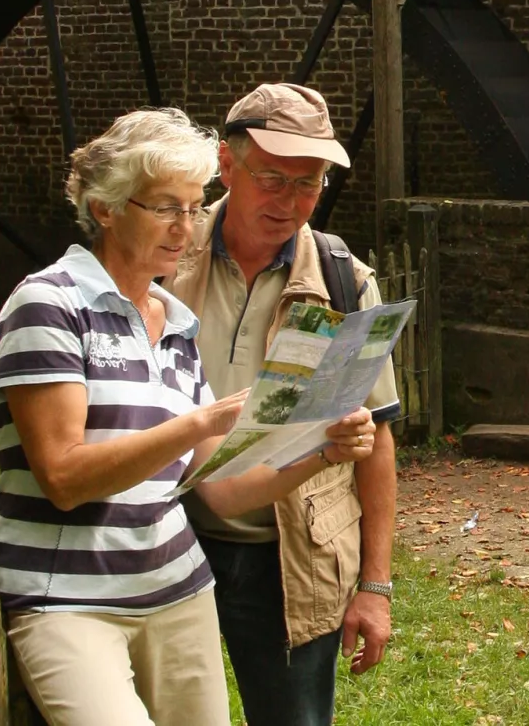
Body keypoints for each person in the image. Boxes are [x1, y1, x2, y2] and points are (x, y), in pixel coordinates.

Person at [0, 108, 378, 726]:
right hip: (67, 598)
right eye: (164, 207)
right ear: (106, 208)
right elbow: (63, 477)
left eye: (193, 208)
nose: (184, 228)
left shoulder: (174, 323)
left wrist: (323, 451)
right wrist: (203, 421)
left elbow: (218, 489)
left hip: (177, 590)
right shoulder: (49, 304)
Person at [167, 84, 400, 726]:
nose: (289, 201)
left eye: (309, 184)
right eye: (271, 178)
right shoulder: (163, 261)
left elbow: (376, 440)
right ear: (225, 164)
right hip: (165, 542)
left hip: (289, 558)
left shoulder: (343, 282)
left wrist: (375, 588)